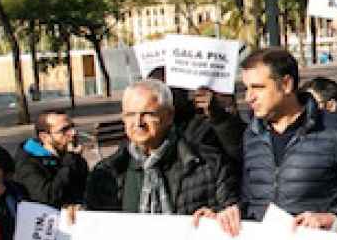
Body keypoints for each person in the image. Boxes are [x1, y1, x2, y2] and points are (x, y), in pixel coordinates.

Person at [196, 48, 337, 234]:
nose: (248, 97)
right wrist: (223, 216)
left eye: (258, 87)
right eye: (247, 88)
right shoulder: (252, 135)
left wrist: (332, 219)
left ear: (286, 84)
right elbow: (248, 199)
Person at [85, 80, 239, 216]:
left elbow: (230, 209)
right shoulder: (106, 173)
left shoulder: (208, 164)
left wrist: (217, 218)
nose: (138, 122)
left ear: (169, 116)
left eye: (148, 114)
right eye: (131, 114)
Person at [12, 110, 88, 208]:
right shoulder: (27, 164)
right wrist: (70, 161)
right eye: (64, 130)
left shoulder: (72, 156)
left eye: (72, 127)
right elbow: (48, 197)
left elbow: (86, 190)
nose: (73, 133)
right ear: (44, 137)